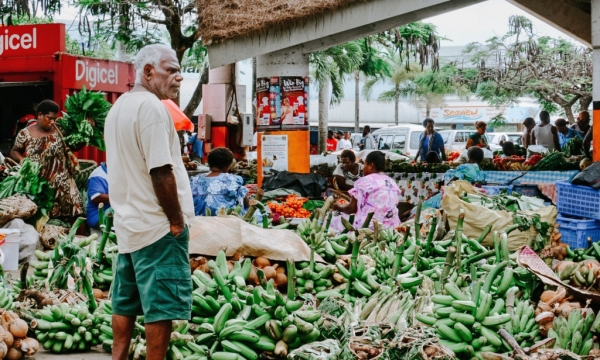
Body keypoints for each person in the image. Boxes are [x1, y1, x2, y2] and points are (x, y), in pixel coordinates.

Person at [104, 44, 195, 360]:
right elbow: (160, 170)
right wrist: (176, 221)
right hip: (157, 227)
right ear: (147, 72)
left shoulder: (117, 108)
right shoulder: (153, 108)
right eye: (171, 70)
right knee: (161, 306)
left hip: (129, 225)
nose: (179, 77)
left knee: (125, 300)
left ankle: (118, 357)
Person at [10, 99, 84, 218]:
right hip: (40, 186)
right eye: (49, 118)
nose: (53, 122)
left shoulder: (60, 130)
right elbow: (14, 151)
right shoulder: (25, 133)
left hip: (63, 185)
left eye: (55, 118)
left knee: (76, 214)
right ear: (40, 115)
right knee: (43, 218)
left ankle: (79, 236)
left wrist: (84, 135)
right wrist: (21, 159)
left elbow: (74, 146)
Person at [331, 151, 401, 230]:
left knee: (331, 219)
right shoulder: (391, 182)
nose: (363, 168)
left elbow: (351, 209)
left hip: (370, 226)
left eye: (365, 164)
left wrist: (338, 206)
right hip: (393, 226)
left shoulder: (364, 181)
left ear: (371, 165)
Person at [190, 147, 255, 216]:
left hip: (199, 218)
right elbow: (246, 202)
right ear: (226, 166)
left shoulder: (195, 180)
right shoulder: (232, 179)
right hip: (225, 220)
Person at [86, 162, 110, 229]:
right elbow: (96, 197)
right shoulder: (98, 175)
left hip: (114, 212)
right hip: (98, 216)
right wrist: (121, 197)